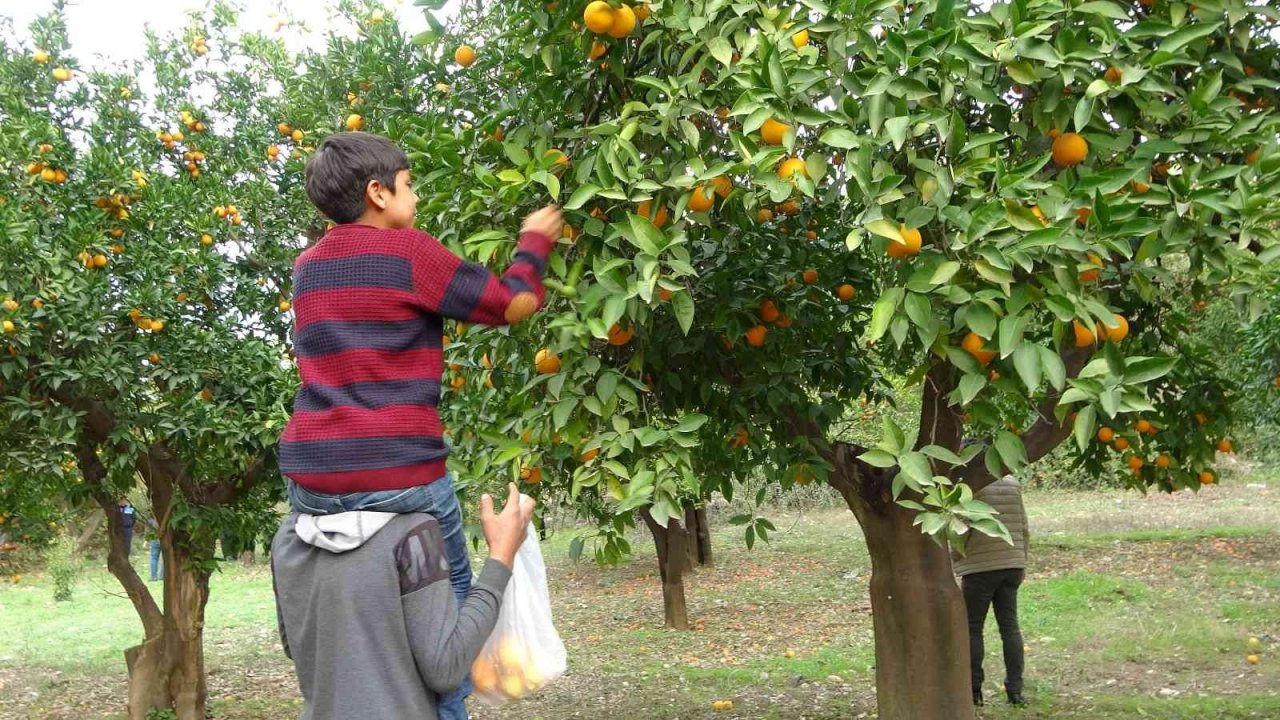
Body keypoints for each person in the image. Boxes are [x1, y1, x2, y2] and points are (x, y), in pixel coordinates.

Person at [276, 131, 561, 720]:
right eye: (409, 184)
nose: (416, 197)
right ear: (378, 193)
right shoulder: (408, 253)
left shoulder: (307, 269)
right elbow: (514, 303)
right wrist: (535, 240)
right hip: (400, 476)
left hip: (312, 482)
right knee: (450, 642)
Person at [271, 483, 534, 720]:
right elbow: (445, 670)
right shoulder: (414, 532)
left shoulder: (288, 536)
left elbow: (295, 646)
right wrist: (501, 555)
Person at [953, 474, 1030, 707]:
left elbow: (960, 530)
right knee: (1010, 628)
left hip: (980, 568)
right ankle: (1015, 691)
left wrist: (954, 559)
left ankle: (974, 691)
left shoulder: (970, 484)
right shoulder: (1013, 483)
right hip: (1012, 565)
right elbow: (1024, 527)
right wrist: (1021, 559)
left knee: (973, 628)